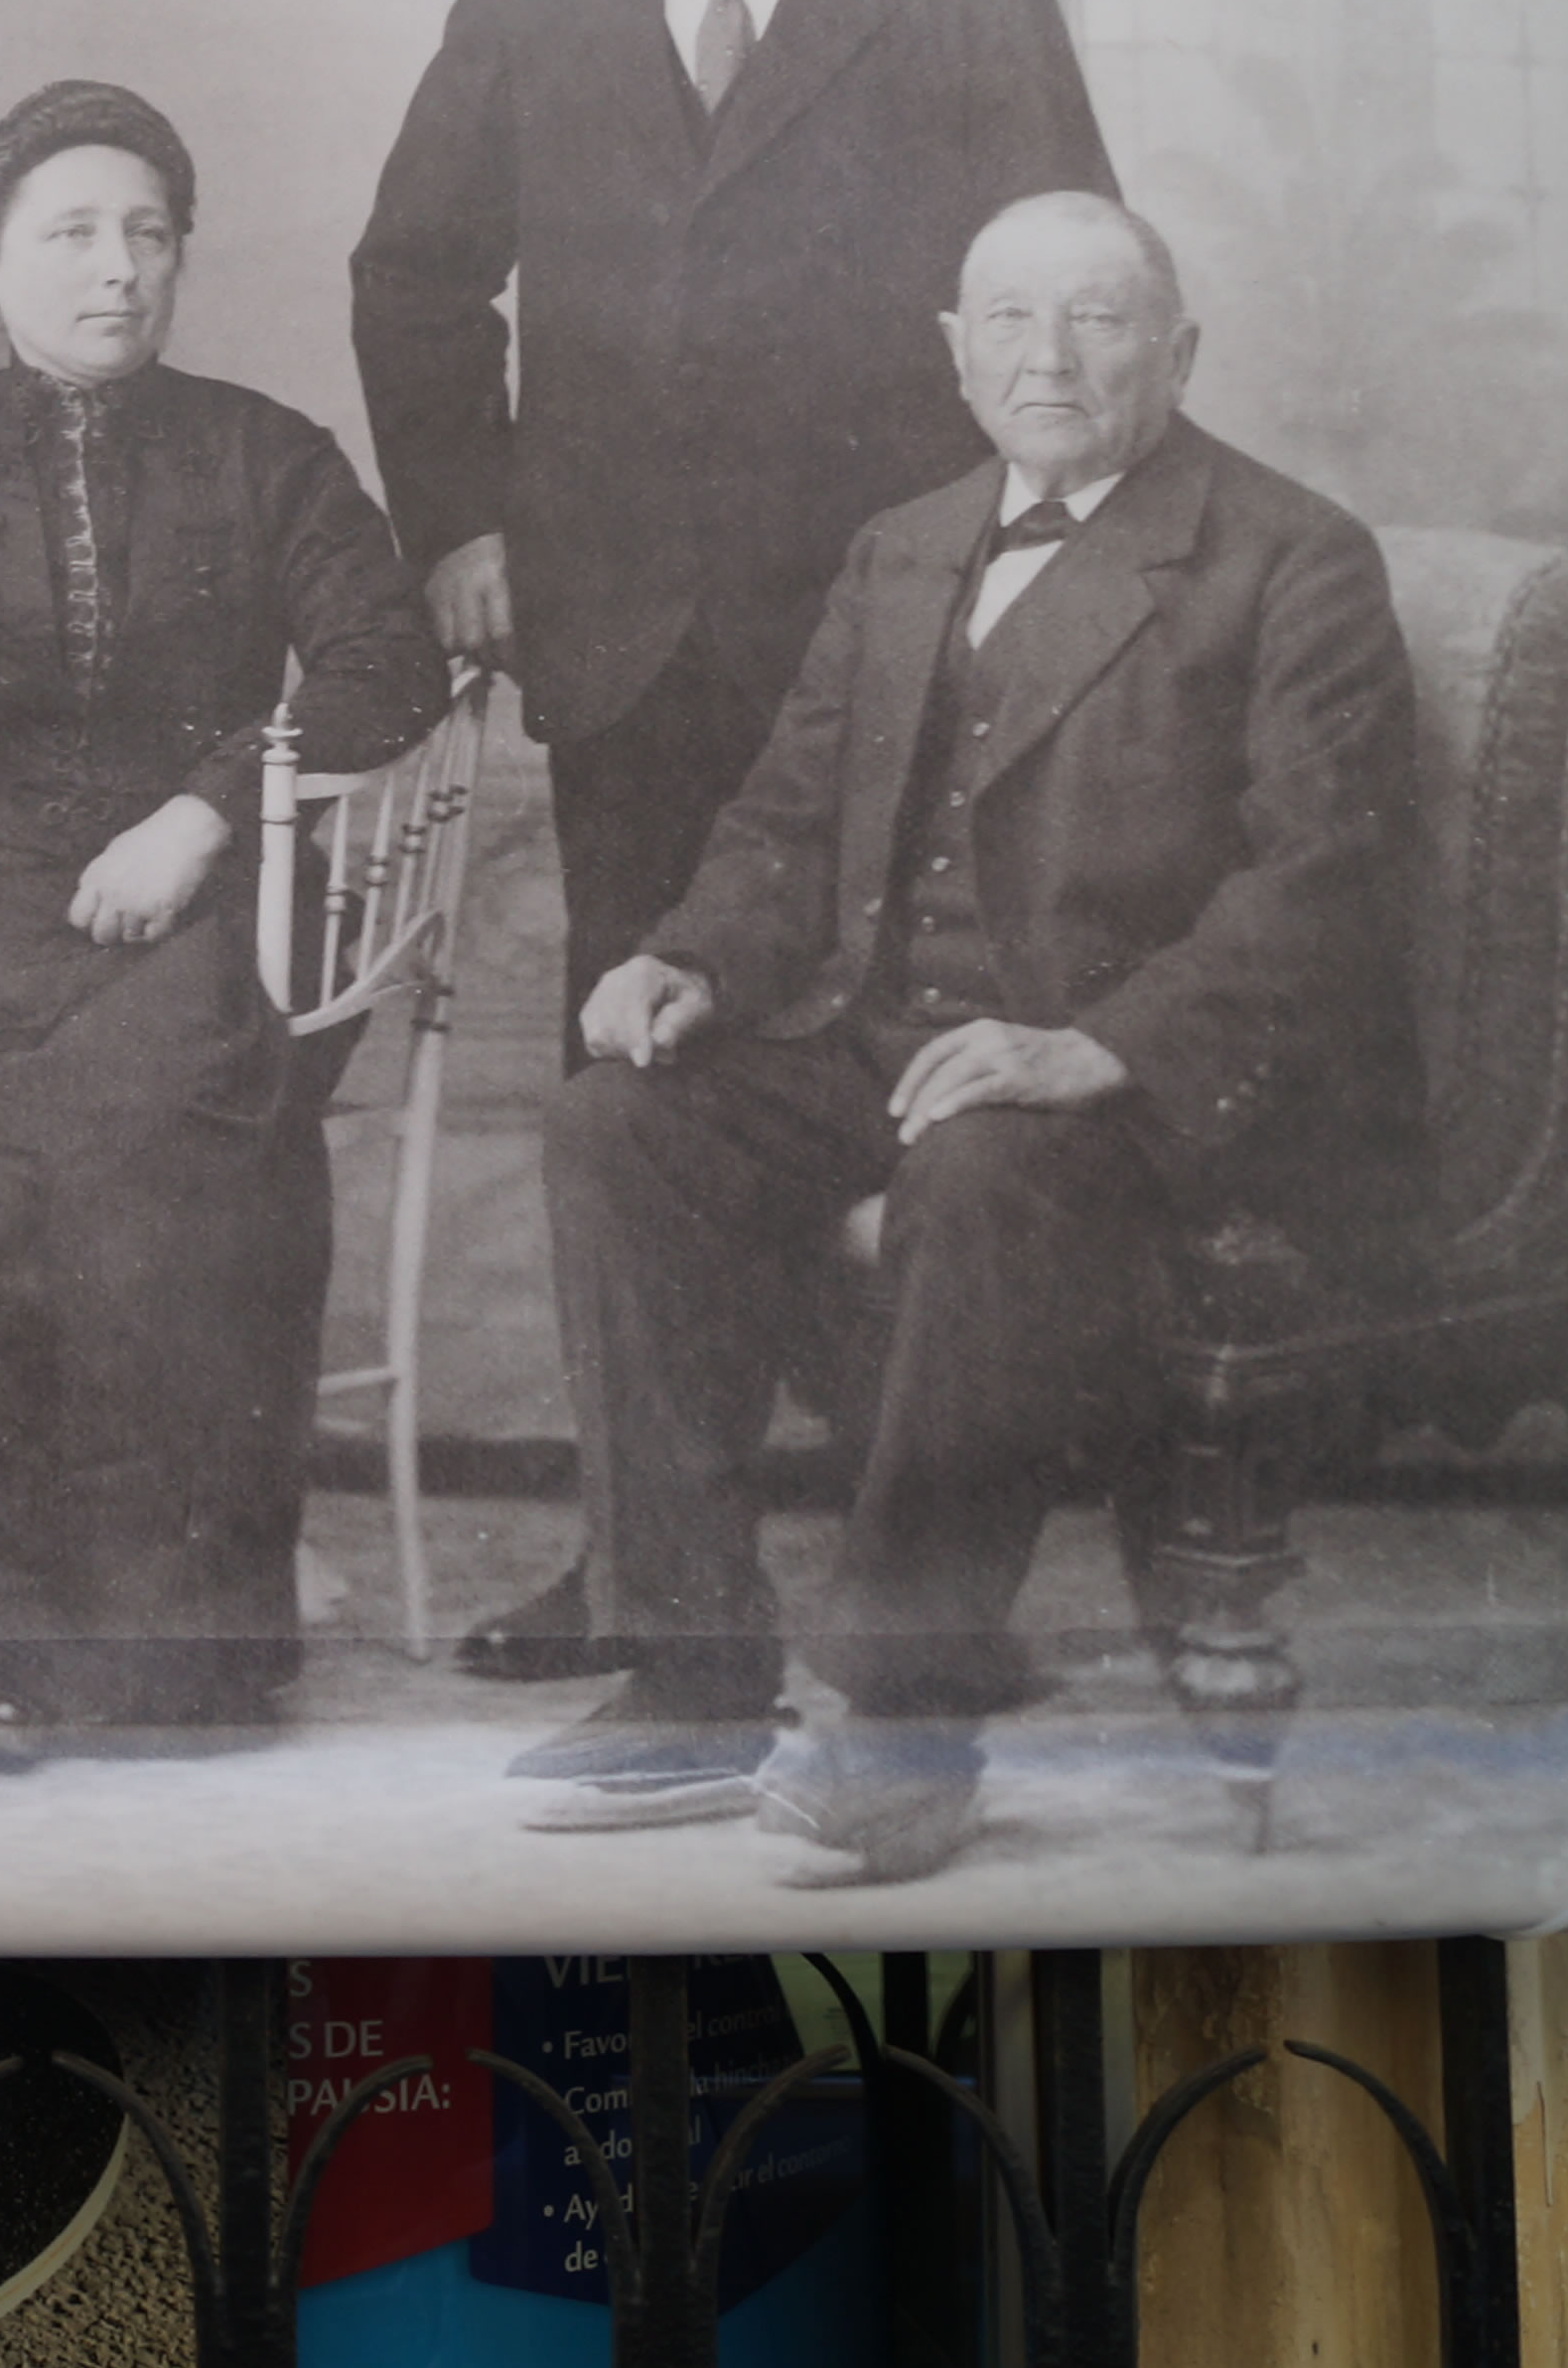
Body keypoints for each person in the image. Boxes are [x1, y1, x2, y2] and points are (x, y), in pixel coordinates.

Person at [347, 0, 1117, 1684]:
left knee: (895, 1074)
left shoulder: (967, 7)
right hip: (623, 653)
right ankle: (645, 1568)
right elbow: (412, 280)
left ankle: (912, 1581)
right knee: (642, 1083)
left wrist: (1003, 577)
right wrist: (465, 528)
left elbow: (1064, 295)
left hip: (908, 649)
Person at [514, 195, 1426, 1881]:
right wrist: (686, 954)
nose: (1047, 357)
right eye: (1008, 317)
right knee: (615, 1123)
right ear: (954, 349)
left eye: (1096, 319)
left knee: (985, 1173)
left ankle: (904, 1721)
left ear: (1178, 352)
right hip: (891, 1043)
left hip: (1120, 1086)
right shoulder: (906, 542)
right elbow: (790, 816)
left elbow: (1326, 880)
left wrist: (1103, 1045)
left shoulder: (1289, 553)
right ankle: (695, 1669)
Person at [0, 81, 450, 1734]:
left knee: (139, 1126)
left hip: (203, 908)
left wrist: (204, 809)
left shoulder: (267, 454)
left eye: (149, 233)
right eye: (72, 233)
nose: (119, 268)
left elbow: (387, 660)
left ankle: (153, 1645)